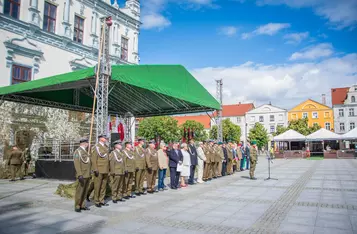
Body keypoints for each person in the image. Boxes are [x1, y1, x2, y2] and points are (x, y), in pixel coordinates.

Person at [91, 135, 110, 207]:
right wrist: (95, 169)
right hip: (99, 169)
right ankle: (96, 201)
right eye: (104, 138)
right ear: (100, 139)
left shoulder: (106, 147)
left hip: (105, 169)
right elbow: (93, 159)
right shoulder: (96, 147)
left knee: (103, 186)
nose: (105, 139)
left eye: (105, 137)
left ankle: (102, 200)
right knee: (97, 186)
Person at [73, 138, 91, 212]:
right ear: (84, 143)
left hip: (87, 174)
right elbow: (77, 164)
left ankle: (82, 205)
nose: (88, 144)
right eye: (87, 143)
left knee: (85, 191)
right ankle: (77, 206)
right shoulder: (78, 151)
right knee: (80, 191)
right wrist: (79, 174)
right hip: (82, 174)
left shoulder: (85, 151)